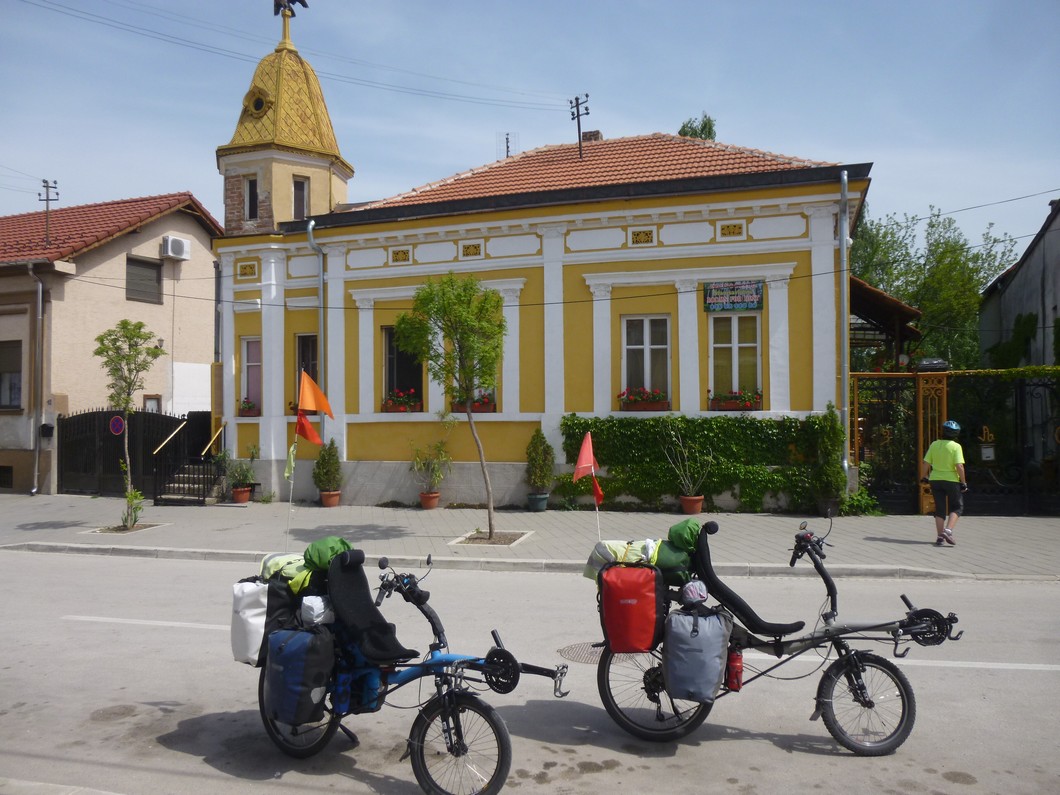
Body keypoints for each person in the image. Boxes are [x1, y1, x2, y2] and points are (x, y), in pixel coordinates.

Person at [921, 420, 967, 546]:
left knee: (940, 508)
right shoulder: (956, 447)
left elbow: (926, 463)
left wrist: (923, 476)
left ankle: (940, 537)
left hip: (935, 479)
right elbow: (959, 466)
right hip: (951, 480)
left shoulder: (934, 444)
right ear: (956, 434)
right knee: (957, 507)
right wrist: (963, 482)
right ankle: (948, 531)